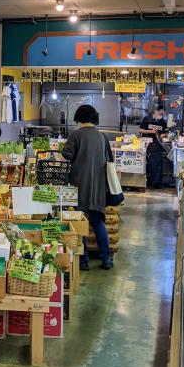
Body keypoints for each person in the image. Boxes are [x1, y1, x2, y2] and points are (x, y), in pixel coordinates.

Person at [62, 105, 113, 271]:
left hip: (78, 185)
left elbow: (66, 155)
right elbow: (109, 159)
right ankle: (106, 259)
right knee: (98, 222)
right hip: (98, 186)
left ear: (78, 118)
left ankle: (83, 261)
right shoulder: (102, 137)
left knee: (79, 222)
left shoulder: (75, 135)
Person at [139, 105, 168, 188]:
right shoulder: (147, 119)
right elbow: (140, 130)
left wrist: (163, 135)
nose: (163, 113)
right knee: (149, 164)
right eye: (162, 111)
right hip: (148, 144)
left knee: (158, 164)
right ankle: (149, 182)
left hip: (157, 145)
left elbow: (165, 133)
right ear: (159, 110)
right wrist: (150, 131)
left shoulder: (162, 121)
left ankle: (157, 183)